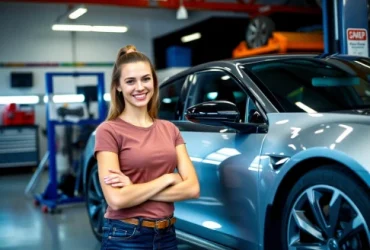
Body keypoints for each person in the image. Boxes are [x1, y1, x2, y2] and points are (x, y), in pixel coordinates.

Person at [94, 44, 200, 250]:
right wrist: (168, 178)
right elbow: (116, 199)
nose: (140, 87)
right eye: (130, 81)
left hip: (167, 235)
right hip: (126, 236)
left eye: (145, 79)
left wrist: (132, 188)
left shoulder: (170, 129)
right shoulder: (108, 131)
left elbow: (193, 189)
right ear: (118, 86)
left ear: (154, 81)